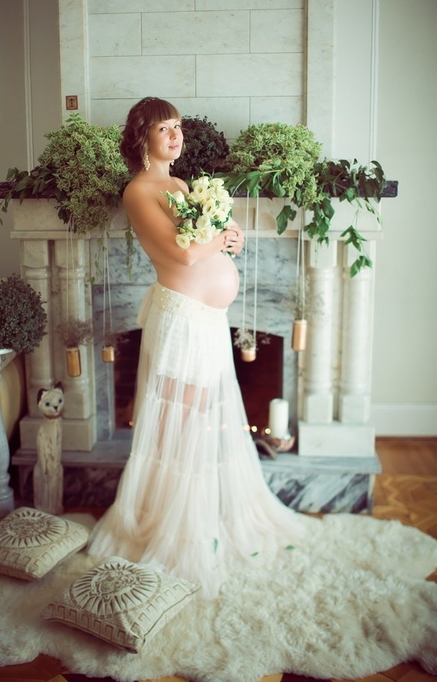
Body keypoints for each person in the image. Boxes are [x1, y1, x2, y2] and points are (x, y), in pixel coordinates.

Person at [87, 96, 307, 598]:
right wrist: (220, 238)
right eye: (164, 128)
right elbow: (182, 254)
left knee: (202, 418)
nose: (175, 136)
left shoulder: (183, 186)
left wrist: (231, 238)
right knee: (180, 422)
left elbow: (205, 242)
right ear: (142, 138)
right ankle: (173, 525)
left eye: (177, 127)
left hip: (208, 320)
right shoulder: (138, 190)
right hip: (181, 320)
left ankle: (199, 516)